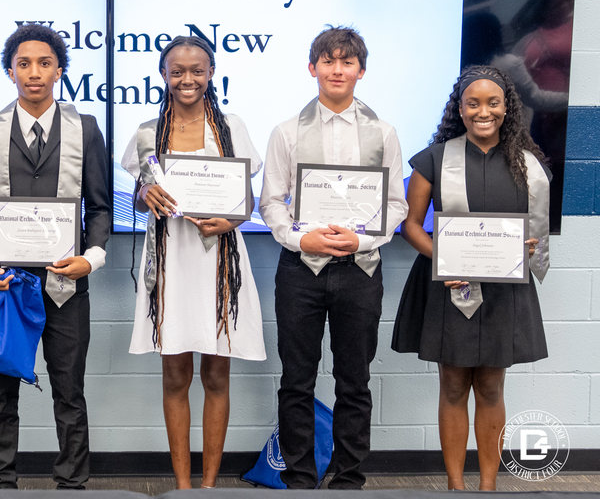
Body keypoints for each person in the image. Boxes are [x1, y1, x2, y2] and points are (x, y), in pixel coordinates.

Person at [0, 23, 110, 489]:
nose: (34, 72)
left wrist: (93, 257)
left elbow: (100, 206)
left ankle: (72, 484)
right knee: (0, 393)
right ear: (10, 72)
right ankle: (0, 484)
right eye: (24, 64)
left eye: (45, 63)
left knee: (69, 392)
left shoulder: (84, 129)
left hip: (66, 283)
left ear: (59, 70)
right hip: (5, 285)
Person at [258, 26, 407, 489]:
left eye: (347, 62)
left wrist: (360, 241)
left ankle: (348, 480)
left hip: (359, 271)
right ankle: (300, 479)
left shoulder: (384, 133)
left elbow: (396, 205)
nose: (337, 69)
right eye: (328, 60)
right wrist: (300, 240)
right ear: (312, 68)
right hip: (300, 270)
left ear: (361, 71)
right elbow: (271, 202)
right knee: (296, 379)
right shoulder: (286, 132)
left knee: (354, 380)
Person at [391, 65, 550, 491]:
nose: (484, 111)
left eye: (493, 102)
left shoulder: (528, 165)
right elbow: (410, 225)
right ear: (459, 109)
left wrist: (528, 247)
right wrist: (445, 259)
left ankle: (488, 487)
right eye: (473, 103)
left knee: (493, 387)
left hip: (504, 291)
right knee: (454, 384)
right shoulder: (435, 159)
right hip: (450, 287)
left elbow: (531, 231)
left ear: (506, 107)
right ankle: (456, 486)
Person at [121, 35, 265, 489]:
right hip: (170, 260)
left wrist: (230, 220)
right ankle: (183, 487)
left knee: (217, 372)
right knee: (174, 372)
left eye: (197, 70)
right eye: (177, 71)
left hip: (219, 257)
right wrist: (146, 193)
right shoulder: (148, 132)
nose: (188, 79)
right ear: (163, 75)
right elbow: (139, 199)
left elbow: (246, 199)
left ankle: (208, 488)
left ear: (211, 73)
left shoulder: (232, 127)